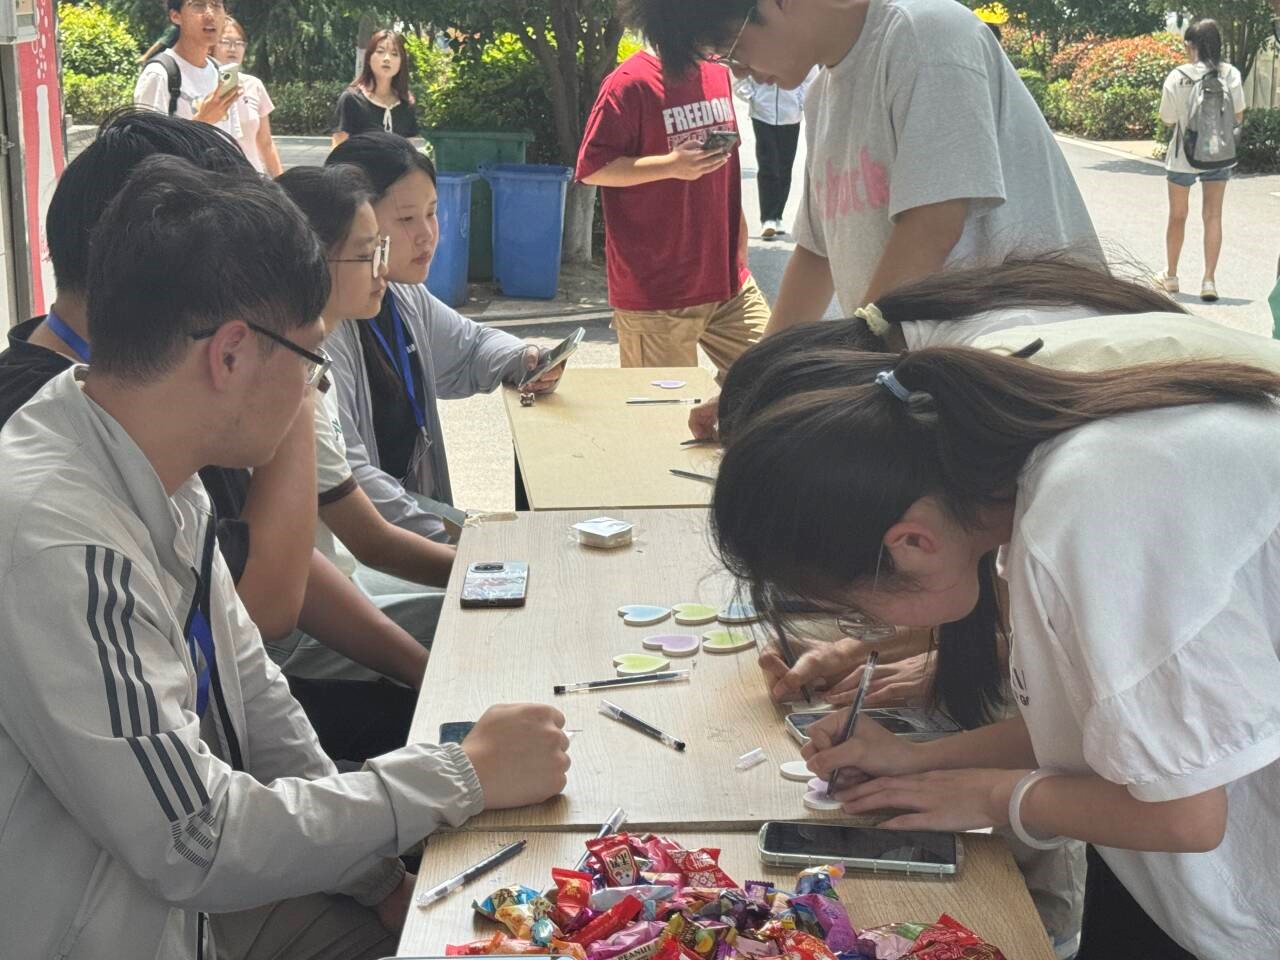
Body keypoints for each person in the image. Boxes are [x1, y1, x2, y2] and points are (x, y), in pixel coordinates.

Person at [0, 154, 572, 960]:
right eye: (311, 361)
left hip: (195, 909)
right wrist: (459, 774)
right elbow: (195, 839)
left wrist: (379, 880)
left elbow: (262, 708)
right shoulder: (60, 538)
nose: (311, 391)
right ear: (231, 354)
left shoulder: (155, 464)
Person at [709, 317, 1280, 956]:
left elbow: (1184, 816)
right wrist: (921, 760)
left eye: (857, 611)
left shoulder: (1089, 515)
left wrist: (991, 794)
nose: (874, 632)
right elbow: (1113, 731)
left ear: (911, 542)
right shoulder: (1035, 488)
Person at [0, 109, 429, 764]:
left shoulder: (161, 391)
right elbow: (267, 603)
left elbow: (239, 606)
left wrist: (422, 671)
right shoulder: (76, 423)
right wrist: (294, 347)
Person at [622, 0, 1102, 437]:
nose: (742, 72)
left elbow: (933, 225)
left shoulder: (925, 34)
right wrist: (751, 382)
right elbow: (815, 255)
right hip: (955, 378)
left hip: (1037, 371)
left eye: (732, 47)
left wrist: (850, 359)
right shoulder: (822, 95)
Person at [323, 132, 563, 541]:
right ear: (356, 221)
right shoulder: (323, 333)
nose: (427, 234)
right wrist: (457, 539)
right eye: (406, 219)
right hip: (385, 550)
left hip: (417, 530)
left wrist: (523, 356)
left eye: (432, 213)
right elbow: (350, 479)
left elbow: (470, 347)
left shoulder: (402, 294)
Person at [274, 163, 458, 681]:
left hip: (342, 579)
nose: (382, 269)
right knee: (490, 615)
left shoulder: (312, 360)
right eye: (366, 253)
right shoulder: (288, 380)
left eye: (382, 249)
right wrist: (491, 568)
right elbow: (371, 540)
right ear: (309, 260)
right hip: (303, 629)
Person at [576, 49, 770, 375]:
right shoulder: (629, 82)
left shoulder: (716, 71)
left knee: (780, 375)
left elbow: (725, 165)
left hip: (727, 282)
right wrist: (670, 165)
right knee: (664, 407)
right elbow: (592, 169)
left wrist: (739, 234)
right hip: (656, 295)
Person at [1156, 19, 1245, 303]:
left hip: (1183, 156)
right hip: (1219, 155)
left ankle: (1171, 276)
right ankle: (1209, 280)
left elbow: (1167, 118)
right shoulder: (1230, 74)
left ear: (1190, 45)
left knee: (1178, 215)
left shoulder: (1177, 75)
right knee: (1213, 215)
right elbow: (1238, 115)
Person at [134, 0, 242, 135]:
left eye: (216, 5)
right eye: (198, 5)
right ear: (176, 16)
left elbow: (233, 142)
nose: (210, 14)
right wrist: (202, 121)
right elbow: (147, 144)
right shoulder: (159, 74)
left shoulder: (221, 73)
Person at [734, 67, 818, 238]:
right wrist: (752, 97)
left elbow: (811, 76)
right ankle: (768, 218)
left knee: (785, 166)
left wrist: (800, 101)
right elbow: (740, 71)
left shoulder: (799, 51)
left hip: (791, 114)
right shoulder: (759, 50)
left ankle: (778, 215)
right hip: (762, 114)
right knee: (768, 165)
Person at [216, 16, 284, 176]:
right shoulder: (202, 84)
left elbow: (266, 142)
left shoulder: (254, 85)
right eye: (225, 42)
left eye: (239, 43)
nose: (233, 49)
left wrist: (282, 182)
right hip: (215, 179)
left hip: (252, 178)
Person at [332, 29, 419, 147]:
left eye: (394, 54)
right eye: (380, 51)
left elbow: (409, 150)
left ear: (401, 62)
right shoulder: (352, 99)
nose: (387, 58)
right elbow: (338, 149)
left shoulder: (406, 103)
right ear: (369, 58)